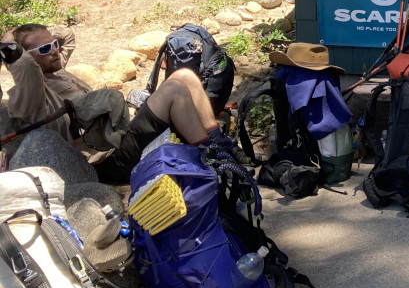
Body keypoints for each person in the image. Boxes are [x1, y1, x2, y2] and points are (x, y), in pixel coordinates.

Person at [1, 23, 234, 184]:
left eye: (54, 45)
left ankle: (218, 144)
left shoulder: (56, 68)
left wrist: (39, 37)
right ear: (26, 57)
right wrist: (8, 42)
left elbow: (67, 35)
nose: (54, 51)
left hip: (121, 139)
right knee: (173, 89)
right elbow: (25, 67)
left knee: (185, 76)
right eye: (44, 49)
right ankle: (210, 156)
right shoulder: (30, 97)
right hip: (107, 161)